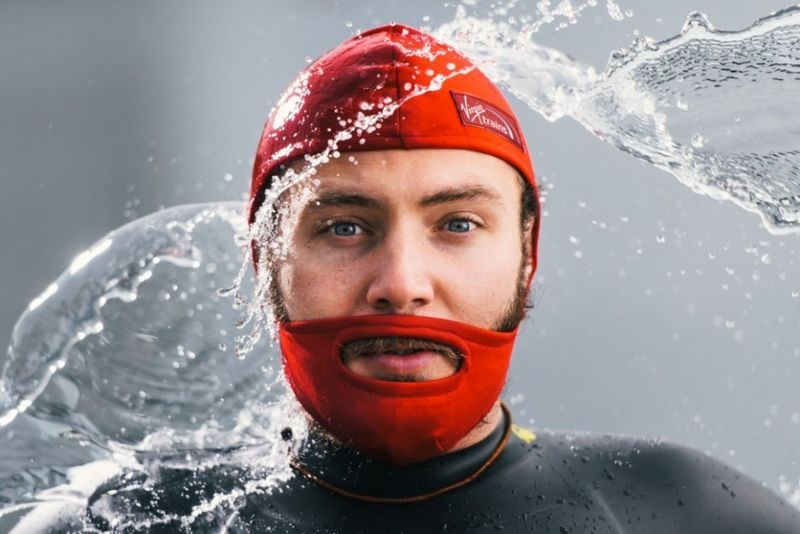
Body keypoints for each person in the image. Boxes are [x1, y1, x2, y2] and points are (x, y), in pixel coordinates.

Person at [30, 23, 800, 533]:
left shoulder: (679, 513)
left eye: (457, 224)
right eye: (343, 227)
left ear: (528, 254)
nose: (401, 283)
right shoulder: (122, 523)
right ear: (265, 262)